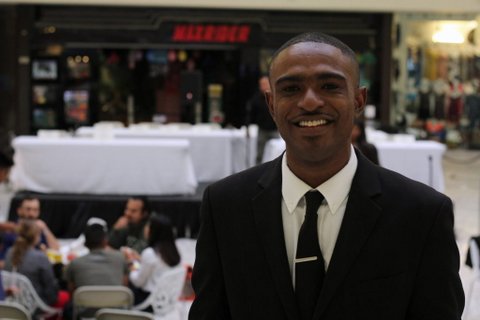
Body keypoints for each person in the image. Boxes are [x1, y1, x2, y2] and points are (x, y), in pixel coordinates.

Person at [189, 32, 464, 319]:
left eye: (330, 86)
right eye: (291, 89)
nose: (309, 102)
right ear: (271, 105)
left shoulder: (422, 214)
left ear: (359, 100)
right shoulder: (225, 206)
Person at [63, 223, 129, 320]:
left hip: (85, 314)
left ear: (85, 243)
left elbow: (72, 294)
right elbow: (124, 286)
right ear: (105, 241)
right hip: (116, 313)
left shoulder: (75, 264)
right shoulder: (120, 258)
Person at [129, 213, 181, 305]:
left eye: (148, 226)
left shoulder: (149, 253)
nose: (145, 228)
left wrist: (133, 265)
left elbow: (138, 282)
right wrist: (140, 259)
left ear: (154, 230)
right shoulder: (174, 251)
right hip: (167, 300)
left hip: (148, 301)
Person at [4, 220, 59, 306]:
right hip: (34, 305)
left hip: (11, 301)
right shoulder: (40, 257)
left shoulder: (9, 252)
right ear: (36, 237)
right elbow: (51, 292)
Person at [246, 75, 279, 164]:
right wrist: (247, 128)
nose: (264, 86)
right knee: (259, 153)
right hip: (262, 129)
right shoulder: (256, 99)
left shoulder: (276, 97)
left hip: (275, 129)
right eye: (262, 84)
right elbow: (250, 114)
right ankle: (258, 170)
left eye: (265, 84)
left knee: (278, 152)